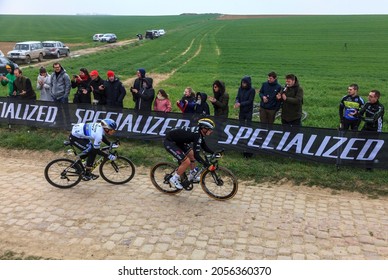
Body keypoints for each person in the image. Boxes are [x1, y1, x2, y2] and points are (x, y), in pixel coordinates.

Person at [164, 118, 216, 189]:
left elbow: (203, 146)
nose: (211, 131)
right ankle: (174, 179)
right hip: (170, 142)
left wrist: (214, 152)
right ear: (204, 128)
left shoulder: (200, 133)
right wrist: (206, 164)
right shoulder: (197, 135)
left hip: (178, 141)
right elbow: (197, 154)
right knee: (186, 162)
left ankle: (192, 175)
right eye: (210, 129)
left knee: (191, 155)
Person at [234, 76, 255, 158]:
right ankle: (241, 139)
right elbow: (237, 97)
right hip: (242, 110)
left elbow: (250, 101)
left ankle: (248, 139)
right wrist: (236, 102)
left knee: (248, 125)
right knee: (241, 124)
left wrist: (240, 104)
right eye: (242, 83)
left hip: (248, 110)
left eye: (245, 83)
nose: (243, 84)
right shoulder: (240, 89)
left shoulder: (252, 90)